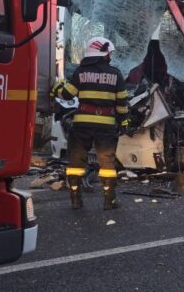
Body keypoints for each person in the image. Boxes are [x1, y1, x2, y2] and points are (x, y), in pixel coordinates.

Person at [52, 37, 129, 210]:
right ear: (103, 53)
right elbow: (122, 104)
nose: (110, 56)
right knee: (107, 164)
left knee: (76, 162)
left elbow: (67, 95)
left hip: (82, 125)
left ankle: (75, 199)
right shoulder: (116, 74)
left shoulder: (80, 72)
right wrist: (124, 122)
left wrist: (57, 87)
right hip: (106, 126)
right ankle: (109, 200)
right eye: (109, 53)